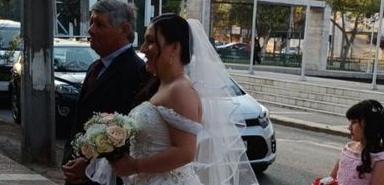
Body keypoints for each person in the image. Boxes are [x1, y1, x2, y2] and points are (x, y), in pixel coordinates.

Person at [86, 13, 258, 185]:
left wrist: (135, 166)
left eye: (151, 41)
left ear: (174, 48)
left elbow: (185, 152)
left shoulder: (180, 89)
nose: (144, 48)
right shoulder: (160, 84)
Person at [62, 0, 149, 185]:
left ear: (124, 29)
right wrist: (69, 159)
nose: (90, 29)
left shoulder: (136, 72)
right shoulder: (95, 67)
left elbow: (128, 138)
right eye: (92, 22)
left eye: (99, 24)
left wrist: (87, 168)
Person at [327, 100, 384, 185]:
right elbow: (332, 177)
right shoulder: (349, 148)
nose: (349, 127)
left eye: (354, 122)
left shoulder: (382, 160)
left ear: (368, 124)